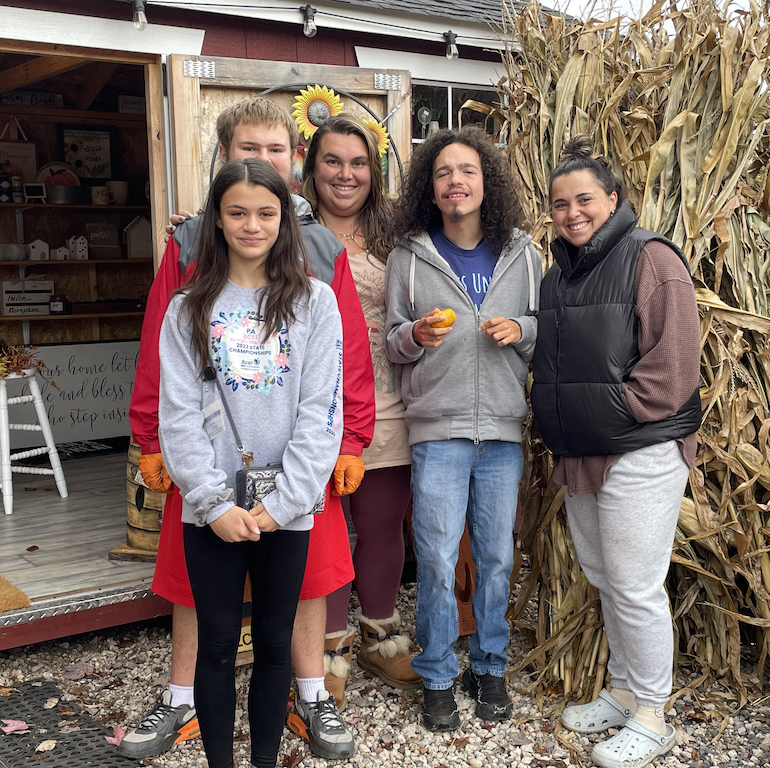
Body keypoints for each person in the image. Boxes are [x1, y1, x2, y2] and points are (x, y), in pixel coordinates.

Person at [123, 99, 374, 762]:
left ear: (293, 163)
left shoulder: (322, 255)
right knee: (198, 600)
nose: (260, 166)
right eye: (247, 151)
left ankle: (310, 694)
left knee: (302, 590)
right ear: (224, 162)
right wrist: (151, 434)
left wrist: (351, 439)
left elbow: (341, 369)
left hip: (292, 480)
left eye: (274, 150)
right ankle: (181, 704)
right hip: (208, 471)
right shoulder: (185, 253)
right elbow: (161, 352)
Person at [159, 158, 343, 768]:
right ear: (217, 220)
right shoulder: (188, 307)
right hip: (211, 511)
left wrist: (282, 503)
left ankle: (264, 758)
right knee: (214, 645)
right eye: (237, 212)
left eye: (266, 213)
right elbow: (178, 417)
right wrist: (211, 503)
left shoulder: (315, 304)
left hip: (283, 509)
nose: (252, 225)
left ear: (284, 219)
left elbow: (322, 412)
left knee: (272, 644)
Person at [530, 135, 701, 768]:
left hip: (639, 449)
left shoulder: (649, 258)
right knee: (607, 579)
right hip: (582, 454)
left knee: (635, 584)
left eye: (584, 200)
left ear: (613, 199)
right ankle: (627, 692)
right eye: (559, 204)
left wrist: (613, 413)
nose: (572, 213)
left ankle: (655, 715)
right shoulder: (558, 276)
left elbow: (674, 364)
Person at [384, 125, 541, 732]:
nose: (456, 181)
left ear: (487, 181)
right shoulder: (410, 254)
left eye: (468, 170)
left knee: (498, 558)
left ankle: (491, 665)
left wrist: (520, 331)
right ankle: (439, 675)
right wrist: (415, 335)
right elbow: (393, 340)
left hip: (502, 429)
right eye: (444, 172)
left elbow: (540, 324)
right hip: (439, 429)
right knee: (438, 557)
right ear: (432, 185)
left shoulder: (523, 253)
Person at [298, 114, 421, 704]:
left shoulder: (397, 234)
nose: (346, 174)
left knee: (379, 523)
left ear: (374, 171)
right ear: (311, 165)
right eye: (333, 161)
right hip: (306, 405)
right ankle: (325, 649)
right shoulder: (285, 224)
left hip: (386, 397)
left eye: (358, 162)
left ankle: (379, 636)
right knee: (322, 531)